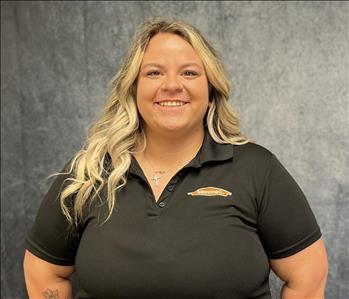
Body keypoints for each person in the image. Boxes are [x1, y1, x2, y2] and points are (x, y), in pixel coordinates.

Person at [23, 18, 328, 299]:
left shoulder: (257, 169)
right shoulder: (87, 173)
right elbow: (43, 272)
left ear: (210, 91)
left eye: (189, 72)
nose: (171, 85)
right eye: (154, 72)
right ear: (133, 88)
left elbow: (308, 276)